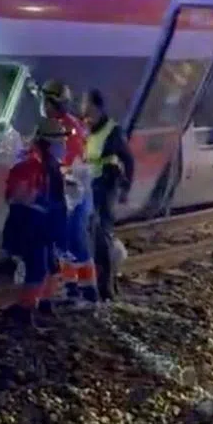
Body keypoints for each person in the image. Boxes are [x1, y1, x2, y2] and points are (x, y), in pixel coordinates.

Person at [2, 113, 69, 322]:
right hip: (32, 224)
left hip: (45, 223)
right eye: (59, 140)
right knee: (38, 266)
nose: (63, 145)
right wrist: (40, 203)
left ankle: (44, 303)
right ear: (47, 141)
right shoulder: (31, 163)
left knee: (49, 264)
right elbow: (17, 195)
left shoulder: (49, 163)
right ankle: (26, 310)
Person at [45, 83, 98, 305]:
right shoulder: (60, 125)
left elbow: (69, 163)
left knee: (75, 240)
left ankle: (88, 292)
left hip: (74, 193)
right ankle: (72, 289)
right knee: (64, 243)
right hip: (67, 191)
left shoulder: (69, 129)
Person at [82, 88, 135, 301]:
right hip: (86, 187)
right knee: (87, 235)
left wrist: (125, 189)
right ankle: (93, 282)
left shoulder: (113, 131)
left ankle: (106, 287)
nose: (84, 110)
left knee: (101, 236)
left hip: (106, 187)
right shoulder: (85, 128)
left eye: (87, 106)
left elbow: (128, 161)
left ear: (97, 107)